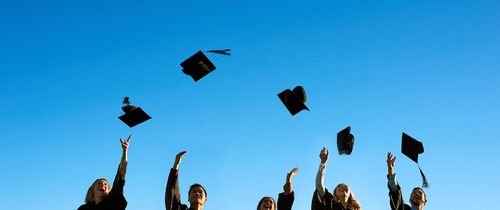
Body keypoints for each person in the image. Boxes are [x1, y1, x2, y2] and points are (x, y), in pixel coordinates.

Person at [78, 135, 131, 210]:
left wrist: (125, 151)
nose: (103, 184)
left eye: (106, 184)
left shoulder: (113, 201)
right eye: (99, 183)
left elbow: (120, 175)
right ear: (93, 190)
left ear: (109, 191)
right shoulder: (84, 208)